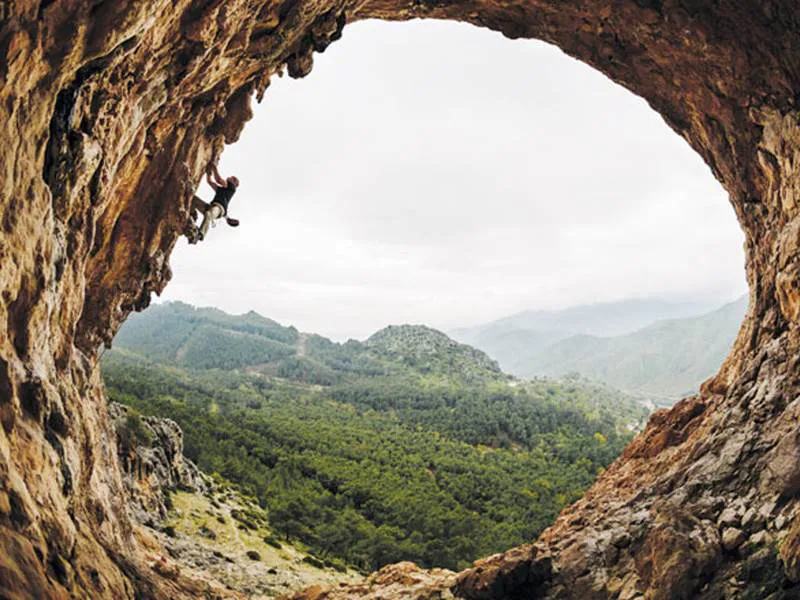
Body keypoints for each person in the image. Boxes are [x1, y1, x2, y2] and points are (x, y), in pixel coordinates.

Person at [189, 164, 240, 243]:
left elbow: (218, 180)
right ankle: (192, 215)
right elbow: (210, 182)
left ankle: (200, 234)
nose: (229, 177)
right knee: (192, 199)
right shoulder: (222, 189)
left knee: (208, 215)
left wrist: (214, 166)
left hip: (219, 209)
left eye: (232, 178)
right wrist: (209, 173)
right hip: (212, 207)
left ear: (234, 182)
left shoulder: (231, 187)